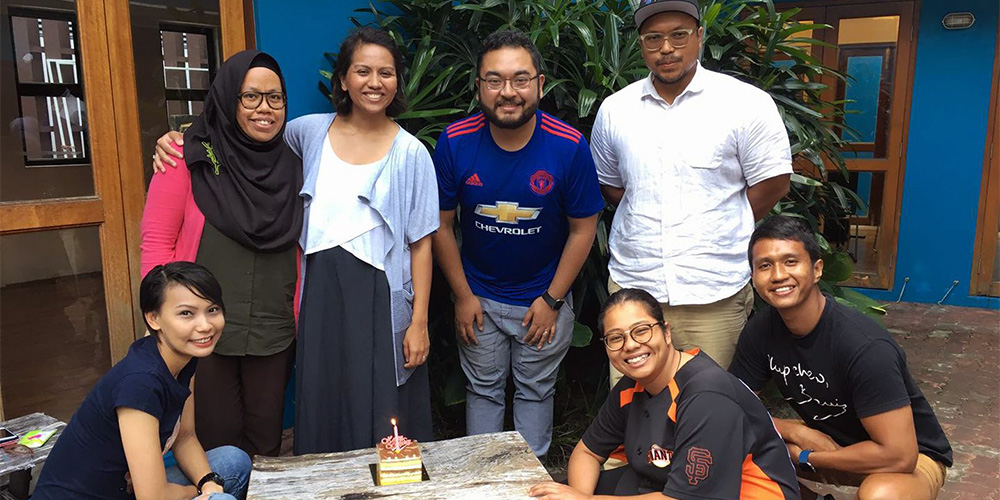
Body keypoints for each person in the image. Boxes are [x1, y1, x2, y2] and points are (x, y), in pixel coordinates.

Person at [590, 0, 792, 379]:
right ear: (641, 45)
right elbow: (611, 185)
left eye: (678, 35)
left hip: (713, 290)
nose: (666, 48)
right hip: (636, 288)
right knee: (631, 406)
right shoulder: (616, 110)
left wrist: (718, 220)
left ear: (699, 37)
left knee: (713, 409)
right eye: (654, 38)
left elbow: (773, 182)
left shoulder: (744, 103)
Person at [431, 29, 604, 459]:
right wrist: (462, 295)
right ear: (479, 88)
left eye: (520, 79)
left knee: (535, 391)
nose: (508, 92)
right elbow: (440, 225)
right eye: (494, 80)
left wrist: (553, 298)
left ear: (541, 85)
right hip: (479, 298)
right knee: (483, 392)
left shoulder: (568, 146)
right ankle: (482, 480)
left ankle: (532, 479)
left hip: (543, 300)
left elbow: (584, 228)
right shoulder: (454, 142)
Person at [142, 50, 302, 458]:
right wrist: (159, 319)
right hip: (200, 331)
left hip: (272, 327)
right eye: (250, 97)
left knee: (266, 441)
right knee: (214, 442)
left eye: (275, 98)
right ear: (229, 98)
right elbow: (157, 242)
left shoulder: (296, 165)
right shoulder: (185, 158)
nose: (264, 109)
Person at [729, 216, 953, 500]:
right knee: (725, 442)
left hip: (907, 454)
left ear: (817, 269)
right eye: (765, 265)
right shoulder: (760, 330)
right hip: (825, 438)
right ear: (753, 277)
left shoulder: (864, 346)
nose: (778, 275)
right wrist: (793, 432)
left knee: (881, 496)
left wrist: (807, 456)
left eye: (790, 262)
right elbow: (732, 407)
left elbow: (900, 456)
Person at [528, 288, 799, 499]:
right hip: (659, 484)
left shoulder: (706, 395)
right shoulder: (632, 386)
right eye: (616, 338)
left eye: (641, 331)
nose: (631, 345)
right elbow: (587, 452)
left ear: (666, 332)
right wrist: (579, 496)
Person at [33, 262, 251, 500]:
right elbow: (153, 497)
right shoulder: (141, 383)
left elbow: (184, 437)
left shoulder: (181, 358)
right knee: (221, 499)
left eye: (212, 310)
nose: (205, 325)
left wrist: (209, 481)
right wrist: (202, 490)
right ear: (154, 318)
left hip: (124, 490)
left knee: (233, 461)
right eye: (186, 313)